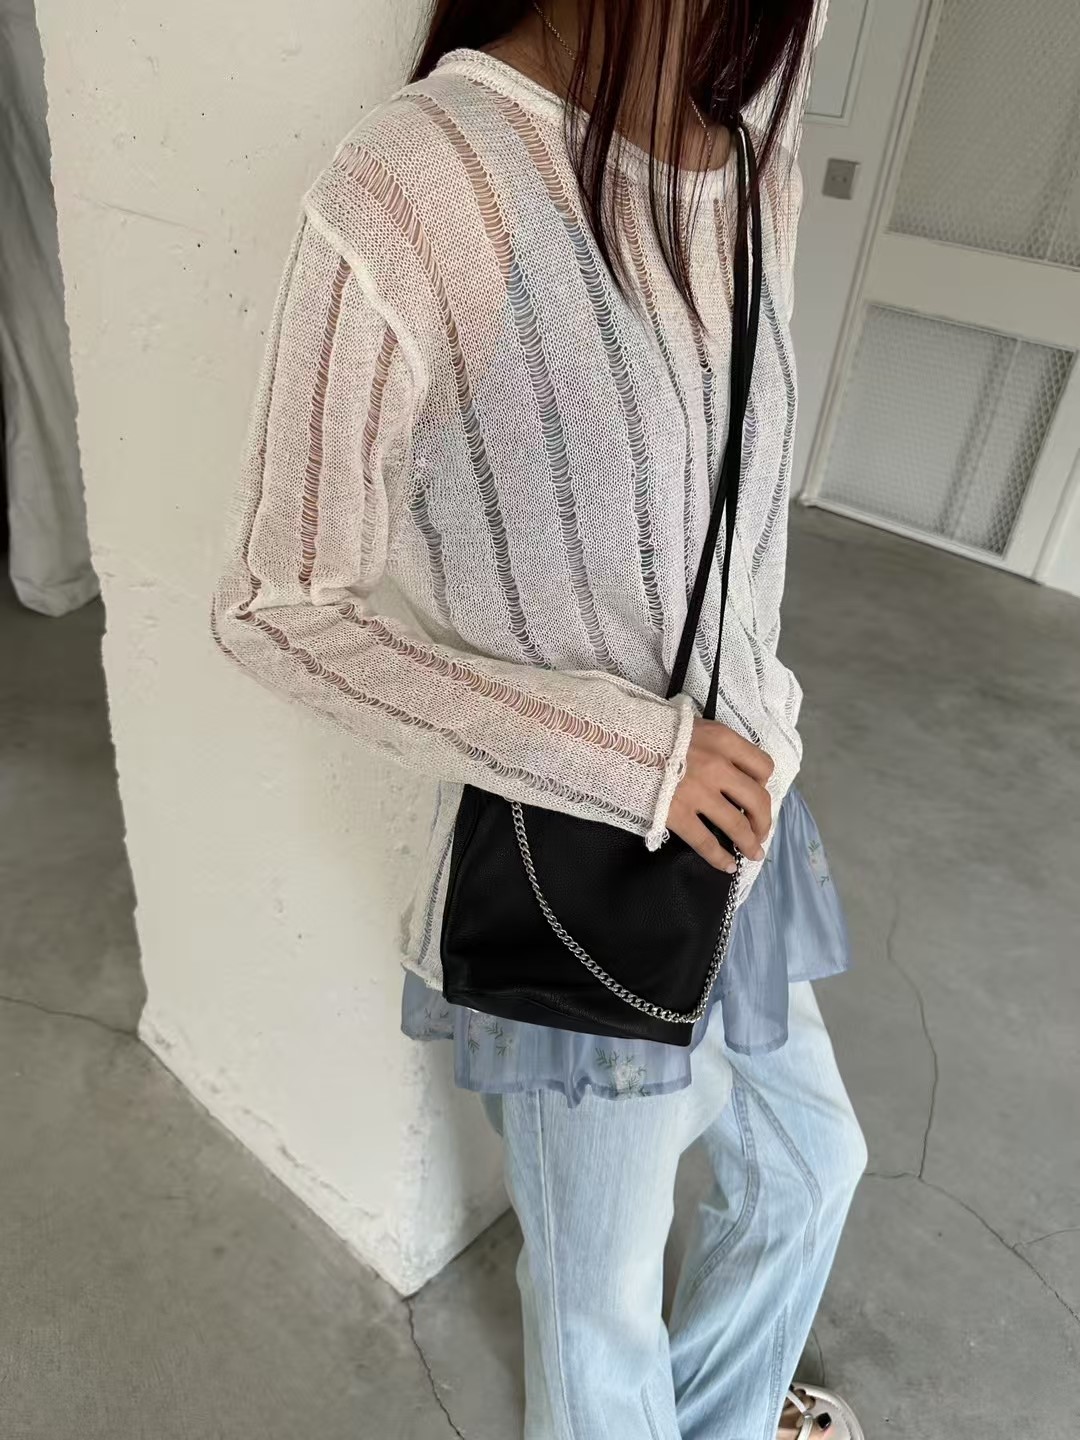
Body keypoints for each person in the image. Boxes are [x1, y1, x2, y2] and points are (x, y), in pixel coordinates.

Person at [212, 1, 868, 1435]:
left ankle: (727, 1418)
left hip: (746, 823)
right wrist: (630, 758)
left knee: (814, 1170)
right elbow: (276, 605)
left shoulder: (754, 161)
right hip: (588, 863)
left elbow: (737, 526)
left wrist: (762, 722)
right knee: (598, 1307)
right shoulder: (422, 179)